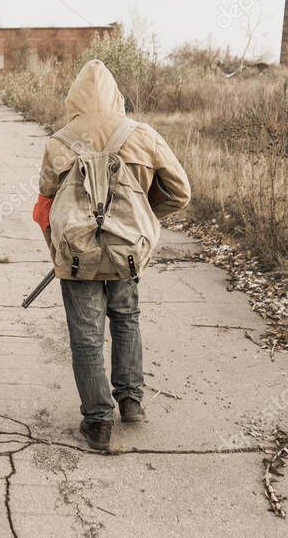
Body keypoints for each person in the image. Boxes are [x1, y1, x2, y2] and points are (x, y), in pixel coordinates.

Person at [32, 59, 191, 451]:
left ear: (75, 98)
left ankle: (98, 423)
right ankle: (131, 401)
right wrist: (140, 216)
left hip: (76, 259)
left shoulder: (59, 142)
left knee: (86, 340)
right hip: (127, 255)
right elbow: (179, 193)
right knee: (126, 320)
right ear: (116, 97)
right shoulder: (143, 135)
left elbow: (43, 207)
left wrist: (58, 244)